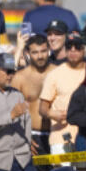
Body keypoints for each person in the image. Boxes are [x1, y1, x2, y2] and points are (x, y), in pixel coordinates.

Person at [38, 32, 86, 154]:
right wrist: (52, 113)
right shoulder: (54, 74)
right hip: (61, 138)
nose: (73, 50)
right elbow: (42, 108)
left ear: (84, 49)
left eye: (77, 46)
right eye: (69, 47)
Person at [10, 34, 54, 163]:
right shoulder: (20, 77)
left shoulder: (58, 72)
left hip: (57, 134)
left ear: (49, 50)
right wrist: (23, 138)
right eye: (35, 52)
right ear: (28, 53)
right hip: (32, 137)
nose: (40, 56)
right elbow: (11, 112)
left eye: (43, 51)